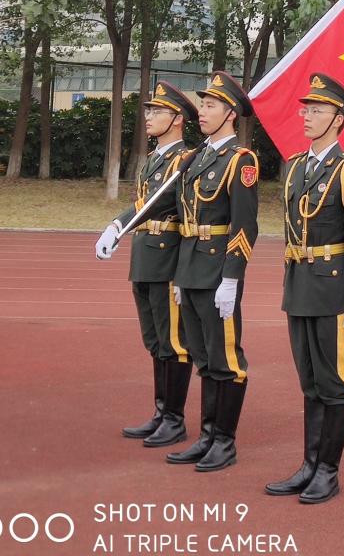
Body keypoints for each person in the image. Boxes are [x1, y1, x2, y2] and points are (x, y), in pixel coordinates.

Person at [265, 73, 344, 505]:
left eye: (317, 110)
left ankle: (328, 470)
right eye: (306, 110)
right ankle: (309, 465)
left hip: (333, 291)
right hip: (299, 286)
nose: (307, 116)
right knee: (310, 381)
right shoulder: (295, 167)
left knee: (337, 383)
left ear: (338, 118)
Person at [94, 81, 197, 448]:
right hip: (145, 259)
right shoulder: (154, 158)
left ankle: (174, 419)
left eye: (157, 111)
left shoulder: (185, 161)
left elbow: (156, 202)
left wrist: (117, 224)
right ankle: (161, 412)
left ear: (178, 118)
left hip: (168, 261)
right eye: (148, 110)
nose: (149, 116)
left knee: (173, 343)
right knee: (155, 342)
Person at [166, 71, 258, 472]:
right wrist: (179, 274)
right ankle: (206, 436)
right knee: (203, 357)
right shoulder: (195, 158)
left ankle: (224, 441)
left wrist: (231, 278)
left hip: (218, 271)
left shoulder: (241, 160)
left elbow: (245, 226)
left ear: (230, 113)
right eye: (202, 104)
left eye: (210, 105)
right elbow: (179, 213)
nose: (202, 111)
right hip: (190, 268)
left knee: (226, 360)